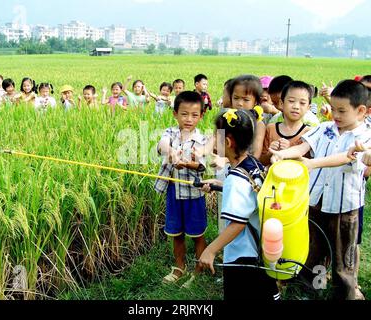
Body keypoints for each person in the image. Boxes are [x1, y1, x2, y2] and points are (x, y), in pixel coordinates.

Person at [270, 80, 371, 300]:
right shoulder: (325, 128)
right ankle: (311, 289)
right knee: (313, 248)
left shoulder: (365, 137)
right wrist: (282, 154)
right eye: (333, 109)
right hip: (316, 201)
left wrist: (312, 163)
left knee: (343, 256)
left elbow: (346, 157)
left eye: (342, 111)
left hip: (344, 207)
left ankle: (346, 293)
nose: (335, 114)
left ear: (361, 111)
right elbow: (303, 147)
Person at [199, 109, 280, 301]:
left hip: (241, 255)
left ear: (227, 142)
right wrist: (220, 185)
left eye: (215, 134)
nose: (212, 138)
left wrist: (210, 250)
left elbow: (237, 224)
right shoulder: (252, 164)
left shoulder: (236, 180)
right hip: (259, 249)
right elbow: (250, 195)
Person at [154, 91, 208, 289]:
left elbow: (202, 165)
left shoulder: (203, 140)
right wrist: (172, 153)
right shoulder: (169, 133)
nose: (189, 119)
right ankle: (179, 267)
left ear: (201, 116)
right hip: (174, 193)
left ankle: (198, 269)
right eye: (184, 114)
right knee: (176, 233)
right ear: (175, 114)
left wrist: (187, 163)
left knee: (197, 234)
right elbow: (162, 146)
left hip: (194, 194)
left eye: (194, 115)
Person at [260, 81, 312, 167]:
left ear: (308, 108)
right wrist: (270, 153)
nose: (296, 106)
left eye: (302, 103)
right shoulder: (270, 128)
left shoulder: (309, 133)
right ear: (281, 103)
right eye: (291, 101)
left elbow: (309, 164)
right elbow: (261, 161)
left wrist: (288, 152)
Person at [227, 75, 266, 160]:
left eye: (246, 100)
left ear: (255, 101)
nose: (240, 103)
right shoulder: (226, 119)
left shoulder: (258, 124)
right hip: (224, 164)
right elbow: (220, 149)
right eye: (236, 98)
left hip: (246, 165)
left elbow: (256, 153)